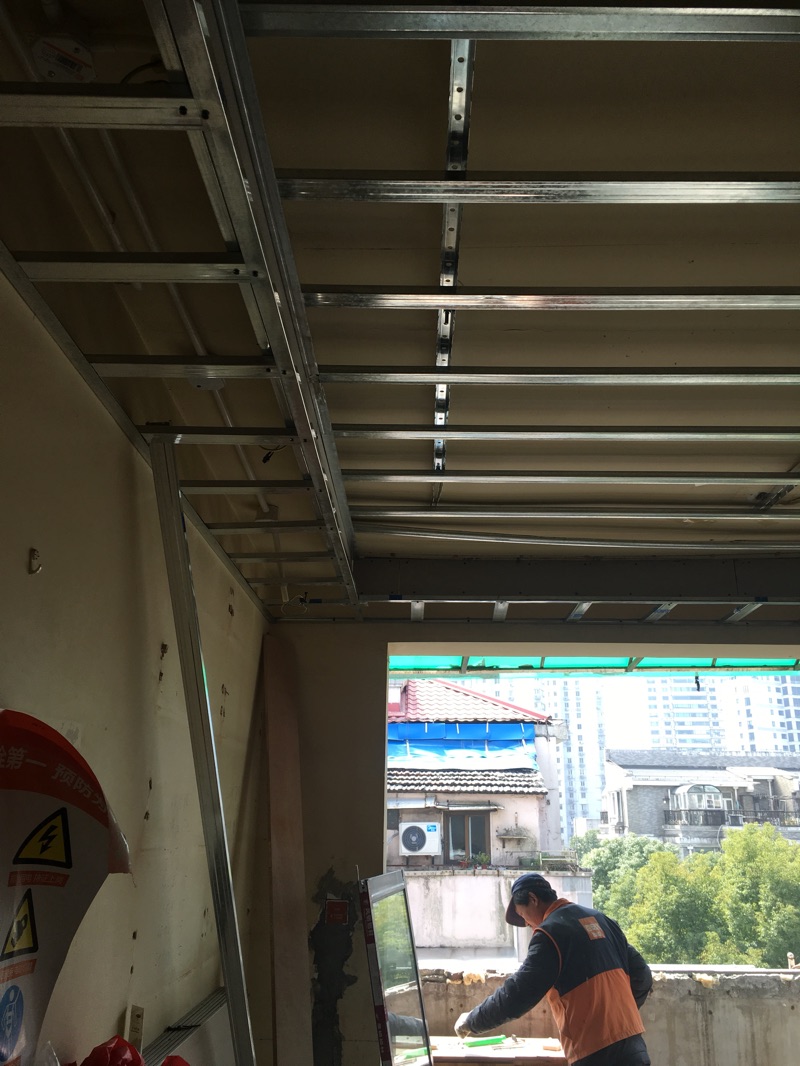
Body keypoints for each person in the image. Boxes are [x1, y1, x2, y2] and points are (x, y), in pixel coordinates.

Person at [454, 873, 652, 1066]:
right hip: (633, 1045)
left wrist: (473, 1020)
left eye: (523, 915)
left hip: (594, 1051)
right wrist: (617, 1017)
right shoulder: (602, 920)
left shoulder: (550, 934)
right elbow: (642, 977)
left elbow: (518, 993)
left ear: (533, 899)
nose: (528, 924)